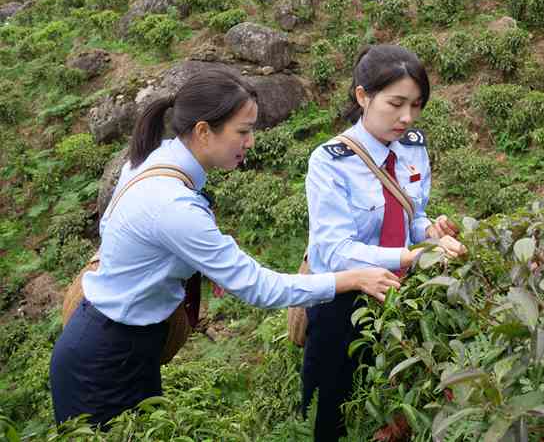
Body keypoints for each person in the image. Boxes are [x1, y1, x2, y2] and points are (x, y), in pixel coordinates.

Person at [50, 67, 400, 429]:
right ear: (203, 131)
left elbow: (113, 227)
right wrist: (350, 278)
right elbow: (259, 287)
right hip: (103, 363)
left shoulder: (154, 159)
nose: (251, 143)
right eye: (243, 132)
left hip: (125, 345)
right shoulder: (173, 205)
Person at [302, 44, 465, 441]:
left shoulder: (413, 147)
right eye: (395, 104)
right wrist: (413, 255)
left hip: (400, 298)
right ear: (363, 96)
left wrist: (431, 233)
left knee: (398, 405)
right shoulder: (330, 161)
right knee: (337, 408)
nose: (406, 117)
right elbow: (335, 250)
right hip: (345, 302)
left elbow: (414, 215)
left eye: (416, 104)